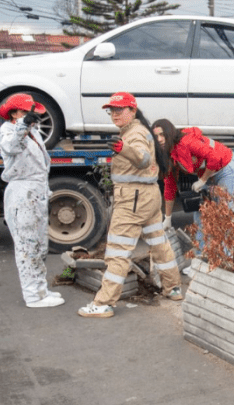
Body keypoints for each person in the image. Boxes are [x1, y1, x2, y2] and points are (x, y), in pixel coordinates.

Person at [78, 92, 183, 318]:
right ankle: (173, 287)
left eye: (120, 110)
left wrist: (122, 148)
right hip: (147, 196)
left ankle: (103, 303)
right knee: (159, 244)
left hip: (132, 199)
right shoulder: (139, 130)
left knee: (118, 251)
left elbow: (143, 159)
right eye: (112, 111)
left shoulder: (134, 133)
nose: (115, 114)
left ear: (133, 111)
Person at [0, 93, 63, 309]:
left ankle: (40, 289)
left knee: (40, 245)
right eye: (26, 112)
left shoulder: (33, 132)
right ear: (15, 112)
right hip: (22, 192)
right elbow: (11, 146)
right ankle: (33, 296)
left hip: (36, 191)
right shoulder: (7, 130)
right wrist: (23, 126)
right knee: (27, 246)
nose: (32, 116)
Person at [151, 118, 234, 256]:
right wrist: (167, 218)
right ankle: (202, 257)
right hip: (208, 173)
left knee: (226, 214)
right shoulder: (167, 153)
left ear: (170, 133)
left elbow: (215, 157)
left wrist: (202, 180)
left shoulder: (187, 142)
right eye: (156, 136)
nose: (159, 139)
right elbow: (169, 186)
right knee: (200, 215)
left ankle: (225, 259)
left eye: (162, 135)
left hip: (226, 168)